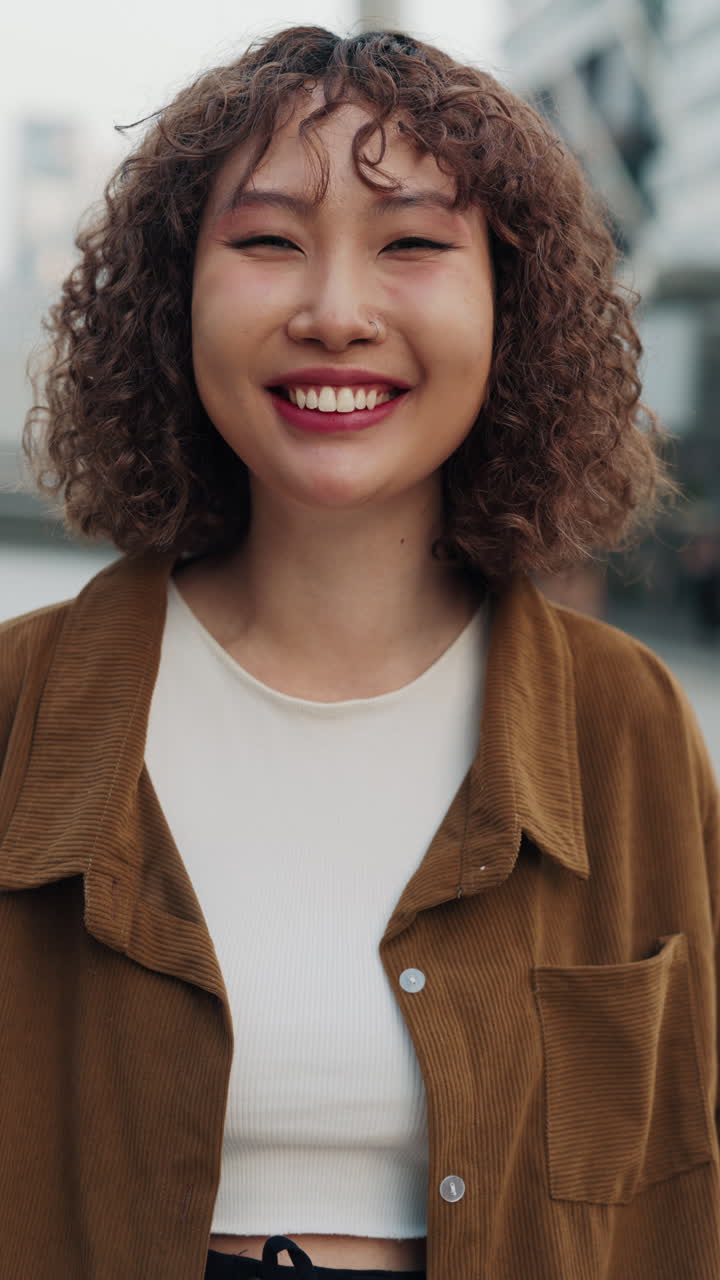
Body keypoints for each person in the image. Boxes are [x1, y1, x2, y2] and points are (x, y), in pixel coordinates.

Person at [2, 24, 719, 1280]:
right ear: (177, 301)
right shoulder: (15, 706)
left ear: (512, 303)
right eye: (270, 240)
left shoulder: (629, 725)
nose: (336, 313)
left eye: (414, 245)